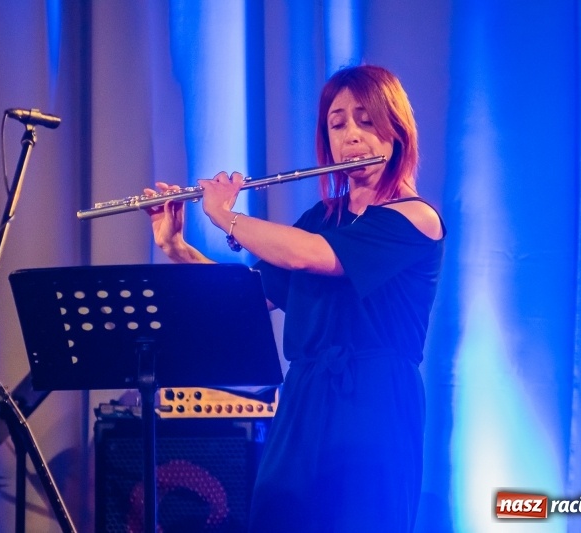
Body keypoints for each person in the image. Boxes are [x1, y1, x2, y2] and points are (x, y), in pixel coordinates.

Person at [145, 64, 445, 532]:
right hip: (303, 399)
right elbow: (246, 298)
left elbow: (314, 258)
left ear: (397, 131)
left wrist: (226, 215)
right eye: (338, 123)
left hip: (376, 402)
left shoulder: (415, 218)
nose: (352, 136)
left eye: (367, 120)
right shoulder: (321, 218)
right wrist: (177, 248)